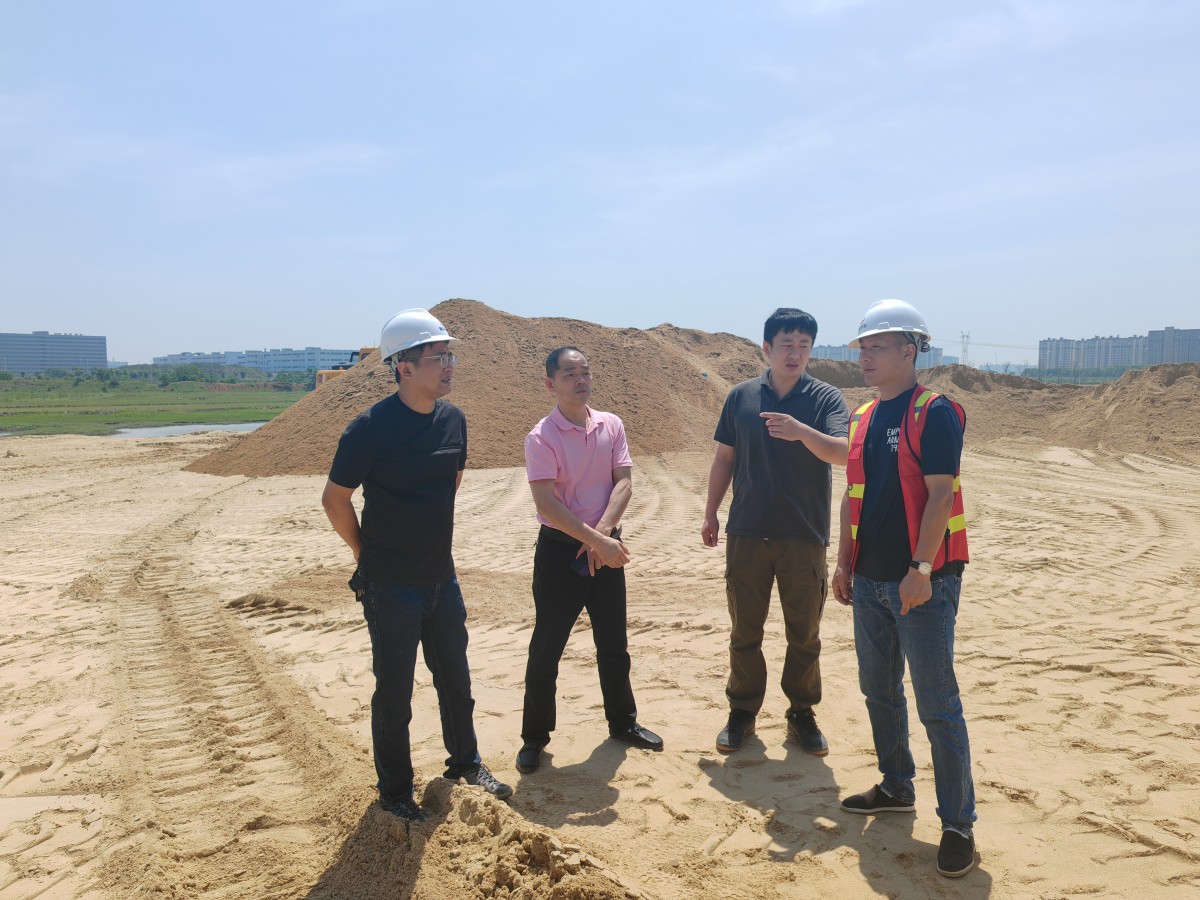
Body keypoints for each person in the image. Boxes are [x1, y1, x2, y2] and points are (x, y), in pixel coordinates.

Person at [321, 307, 512, 822]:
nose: (449, 365)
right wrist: (365, 554)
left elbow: (451, 482)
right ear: (403, 367)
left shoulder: (453, 420)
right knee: (395, 694)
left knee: (456, 681)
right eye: (437, 357)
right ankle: (395, 792)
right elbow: (335, 499)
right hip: (389, 585)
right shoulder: (369, 429)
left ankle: (466, 764)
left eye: (450, 356)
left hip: (441, 578)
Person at [831, 298, 978, 878]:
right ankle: (896, 785)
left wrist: (920, 569)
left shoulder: (934, 412)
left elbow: (941, 495)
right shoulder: (863, 416)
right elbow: (853, 494)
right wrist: (843, 562)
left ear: (909, 350)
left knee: (937, 704)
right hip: (868, 580)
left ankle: (958, 823)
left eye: (876, 347)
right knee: (878, 690)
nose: (864, 357)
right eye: (862, 348)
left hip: (922, 583)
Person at [701, 308, 850, 755]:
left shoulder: (825, 399)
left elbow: (843, 453)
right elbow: (724, 458)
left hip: (803, 535)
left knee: (804, 633)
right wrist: (710, 513)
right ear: (767, 348)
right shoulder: (741, 396)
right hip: (747, 532)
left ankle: (802, 713)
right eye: (787, 344)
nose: (795, 353)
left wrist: (801, 432)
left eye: (804, 345)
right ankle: (742, 711)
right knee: (744, 631)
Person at [515, 346, 663, 774]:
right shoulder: (541, 437)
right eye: (569, 374)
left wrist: (603, 535)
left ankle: (623, 722)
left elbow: (624, 483)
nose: (580, 380)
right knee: (546, 649)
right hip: (562, 553)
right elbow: (546, 503)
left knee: (614, 645)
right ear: (550, 385)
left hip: (605, 546)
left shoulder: (610, 424)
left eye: (585, 372)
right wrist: (595, 540)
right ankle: (534, 739)